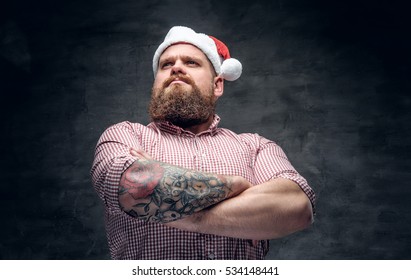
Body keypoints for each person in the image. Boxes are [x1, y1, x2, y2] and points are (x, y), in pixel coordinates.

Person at [91, 26, 316, 260]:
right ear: (156, 83)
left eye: (191, 62)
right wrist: (237, 187)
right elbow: (134, 187)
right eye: (166, 64)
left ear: (217, 85)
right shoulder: (124, 135)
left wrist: (171, 207)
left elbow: (297, 207)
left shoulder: (255, 147)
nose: (176, 67)